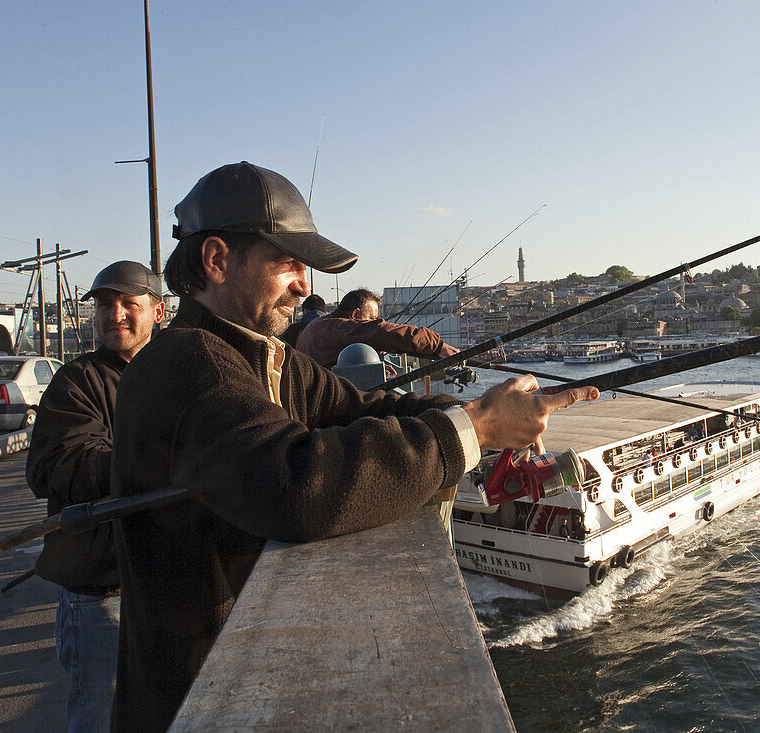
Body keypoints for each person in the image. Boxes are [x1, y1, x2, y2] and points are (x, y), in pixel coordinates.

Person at [108, 161, 597, 731]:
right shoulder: (188, 365)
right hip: (192, 698)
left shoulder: (268, 358)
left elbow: (364, 411)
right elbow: (295, 486)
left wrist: (472, 417)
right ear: (217, 261)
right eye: (288, 263)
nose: (305, 285)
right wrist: (478, 429)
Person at [26, 260, 165, 732]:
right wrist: (169, 456)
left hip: (167, 584)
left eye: (129, 303)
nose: (116, 314)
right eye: (106, 305)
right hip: (102, 593)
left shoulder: (180, 374)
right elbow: (58, 465)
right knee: (100, 719)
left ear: (158, 311)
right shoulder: (77, 381)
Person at [295, 287, 459, 368]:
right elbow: (381, 332)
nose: (375, 322)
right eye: (372, 319)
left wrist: (369, 368)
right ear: (355, 314)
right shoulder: (336, 327)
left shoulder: (321, 325)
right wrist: (437, 344)